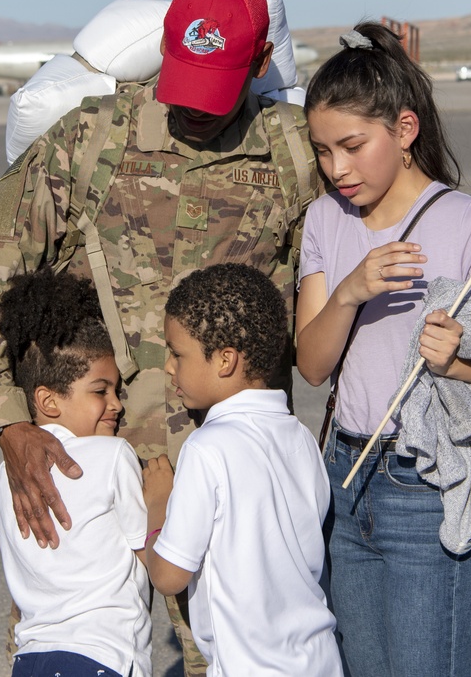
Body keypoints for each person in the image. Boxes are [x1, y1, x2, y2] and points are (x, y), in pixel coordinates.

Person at [0, 0, 323, 674]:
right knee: (71, 654)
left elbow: (357, 268)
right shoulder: (89, 139)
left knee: (231, 659)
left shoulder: (292, 151)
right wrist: (9, 423)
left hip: (228, 474)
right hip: (85, 465)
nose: (193, 111)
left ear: (261, 63)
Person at [295, 22, 471, 676]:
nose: (337, 169)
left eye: (353, 146)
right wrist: (349, 292)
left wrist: (462, 360)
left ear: (405, 130)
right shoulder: (325, 219)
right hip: (346, 477)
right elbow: (312, 361)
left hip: (429, 483)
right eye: (323, 151)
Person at [142, 263, 343, 676]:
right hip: (319, 660)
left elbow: (168, 576)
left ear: (225, 360)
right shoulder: (300, 437)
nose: (169, 367)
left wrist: (157, 509)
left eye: (178, 353)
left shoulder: (206, 447)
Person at [0, 267, 154, 677]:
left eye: (116, 391)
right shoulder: (114, 455)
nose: (116, 404)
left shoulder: (2, 477)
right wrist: (164, 494)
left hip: (30, 656)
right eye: (101, 391)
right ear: (47, 400)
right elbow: (149, 556)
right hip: (104, 655)